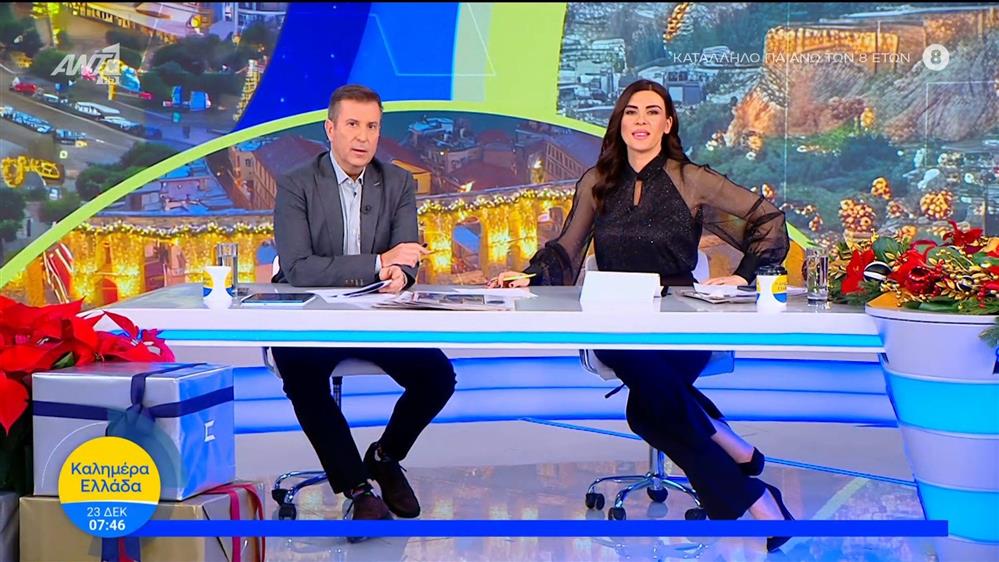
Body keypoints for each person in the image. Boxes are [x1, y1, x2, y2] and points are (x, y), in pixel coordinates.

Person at [490, 80, 795, 552]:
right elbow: (568, 249)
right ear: (620, 122)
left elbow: (768, 220)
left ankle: (745, 474)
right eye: (632, 111)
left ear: (667, 124)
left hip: (680, 317)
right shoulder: (597, 181)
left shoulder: (690, 178)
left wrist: (742, 275)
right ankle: (745, 480)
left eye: (653, 112)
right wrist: (530, 276)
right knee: (646, 392)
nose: (641, 120)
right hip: (614, 314)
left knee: (645, 413)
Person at [272, 84, 456, 534]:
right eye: (352, 124)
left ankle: (385, 457)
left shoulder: (397, 182)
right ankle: (357, 489)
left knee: (437, 376)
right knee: (301, 373)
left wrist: (401, 275)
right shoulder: (296, 182)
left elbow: (407, 255)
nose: (362, 136)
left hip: (374, 314)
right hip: (310, 319)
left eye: (371, 126)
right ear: (330, 129)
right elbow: (298, 268)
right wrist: (378, 262)